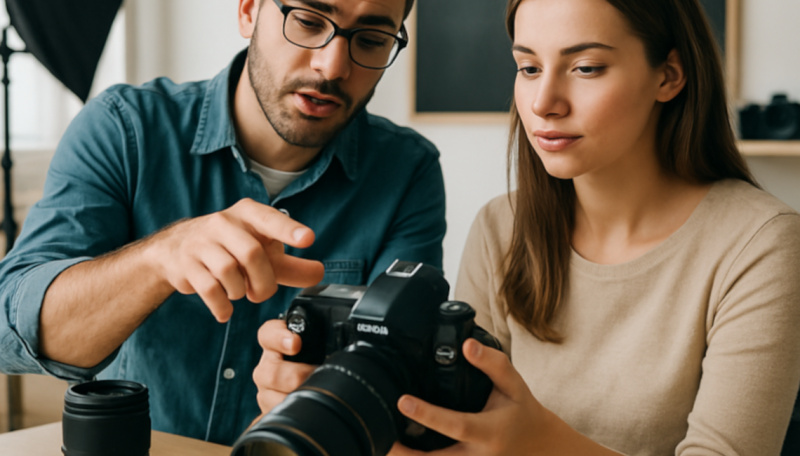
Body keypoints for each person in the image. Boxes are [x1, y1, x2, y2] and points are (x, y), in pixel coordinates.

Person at [255, 0, 800, 454]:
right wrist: (334, 405)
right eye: (528, 68)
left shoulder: (762, 242)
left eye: (586, 68)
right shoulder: (503, 226)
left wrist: (545, 445)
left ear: (669, 74)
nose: (543, 103)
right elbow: (457, 434)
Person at [0, 0, 446, 445]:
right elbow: (9, 335)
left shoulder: (407, 171)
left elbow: (402, 372)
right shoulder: (125, 129)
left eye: (370, 40)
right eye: (309, 22)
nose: (332, 67)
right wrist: (158, 258)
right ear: (249, 11)